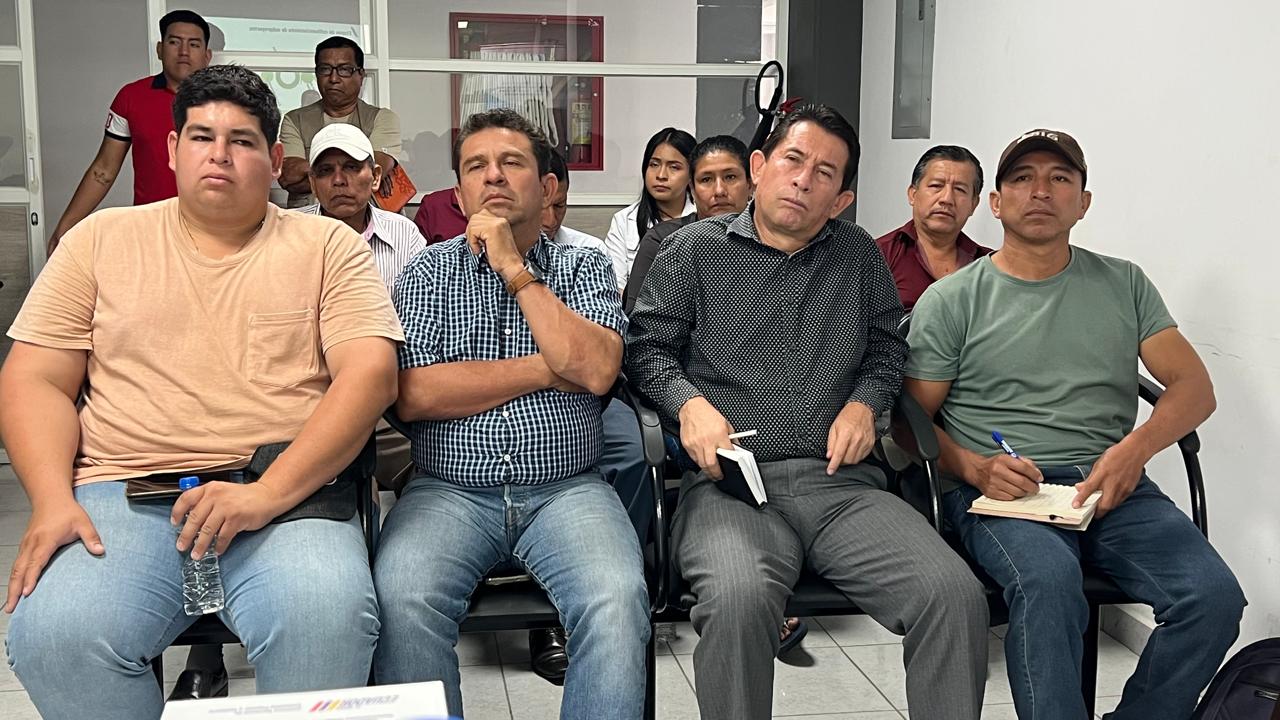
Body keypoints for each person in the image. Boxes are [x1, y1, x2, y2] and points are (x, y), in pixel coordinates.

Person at [0, 65, 403, 720]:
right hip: (127, 493)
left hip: (284, 493)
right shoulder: (99, 241)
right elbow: (34, 378)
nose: (220, 154)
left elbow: (371, 376)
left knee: (327, 621)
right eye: (201, 137)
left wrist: (267, 494)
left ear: (275, 158)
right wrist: (50, 500)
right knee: (54, 637)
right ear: (171, 149)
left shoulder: (326, 244)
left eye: (242, 141)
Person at [626, 103, 988, 720]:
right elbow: (645, 349)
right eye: (793, 160)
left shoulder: (858, 256)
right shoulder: (691, 250)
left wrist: (866, 403)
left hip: (842, 486)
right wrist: (688, 404)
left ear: (841, 199)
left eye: (825, 172)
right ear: (759, 167)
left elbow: (886, 348)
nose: (803, 179)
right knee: (738, 601)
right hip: (731, 488)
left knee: (954, 595)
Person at [904, 128, 1245, 720]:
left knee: (1212, 597)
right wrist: (975, 468)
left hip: (1110, 484)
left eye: (1059, 178)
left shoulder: (1123, 283)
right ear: (996, 203)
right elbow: (909, 422)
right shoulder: (953, 299)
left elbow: (1195, 388)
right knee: (1048, 582)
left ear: (1083, 202)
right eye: (1022, 179)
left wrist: (1134, 450)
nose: (1041, 191)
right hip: (1007, 490)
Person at [373, 109, 650, 719]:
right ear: (459, 193)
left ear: (546, 187)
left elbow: (599, 370)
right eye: (477, 166)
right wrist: (548, 367)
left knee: (617, 600)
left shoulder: (582, 265)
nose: (493, 176)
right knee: (401, 599)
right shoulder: (427, 271)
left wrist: (514, 270)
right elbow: (415, 395)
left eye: (511, 163)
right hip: (448, 490)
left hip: (567, 489)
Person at [301, 122, 427, 492]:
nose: (339, 180)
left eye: (351, 168)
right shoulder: (290, 233)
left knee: (426, 473)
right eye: (326, 171)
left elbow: (419, 322)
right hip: (313, 397)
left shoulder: (404, 235)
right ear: (312, 184)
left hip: (389, 400)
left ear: (374, 177)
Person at [47, 9, 212, 256]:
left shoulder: (227, 101)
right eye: (174, 42)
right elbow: (103, 170)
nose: (184, 51)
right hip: (150, 233)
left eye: (194, 44)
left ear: (207, 55)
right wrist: (65, 228)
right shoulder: (130, 98)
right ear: (160, 49)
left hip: (213, 230)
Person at [623, 134, 753, 313]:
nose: (719, 191)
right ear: (692, 188)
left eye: (730, 177)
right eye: (706, 179)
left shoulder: (773, 240)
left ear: (750, 184)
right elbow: (637, 317)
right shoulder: (663, 240)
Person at [278, 36, 402, 208]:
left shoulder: (382, 118)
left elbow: (375, 169)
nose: (333, 78)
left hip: (366, 220)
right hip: (307, 219)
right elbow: (287, 176)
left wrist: (314, 172)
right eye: (325, 69)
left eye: (344, 70)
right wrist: (357, 171)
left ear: (361, 75)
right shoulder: (295, 120)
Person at [875, 145, 992, 310]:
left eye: (959, 189)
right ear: (913, 194)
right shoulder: (878, 255)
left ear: (974, 204)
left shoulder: (988, 265)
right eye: (936, 185)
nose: (947, 199)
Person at [602, 127, 696, 290]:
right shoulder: (624, 221)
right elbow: (614, 287)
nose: (661, 175)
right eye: (654, 164)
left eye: (674, 167)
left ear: (691, 175)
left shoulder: (702, 217)